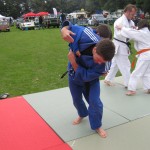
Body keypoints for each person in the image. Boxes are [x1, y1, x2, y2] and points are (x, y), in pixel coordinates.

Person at [61, 21, 115, 138]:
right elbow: (69, 25)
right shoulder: (86, 35)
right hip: (74, 76)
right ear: (95, 50)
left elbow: (85, 76)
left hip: (91, 79)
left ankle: (97, 125)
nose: (100, 63)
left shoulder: (106, 64)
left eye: (103, 62)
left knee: (95, 102)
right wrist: (64, 30)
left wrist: (74, 61)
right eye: (99, 59)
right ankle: (82, 113)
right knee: (76, 99)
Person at [104, 4, 137, 88]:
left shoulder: (131, 22)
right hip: (119, 45)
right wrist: (130, 31)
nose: (133, 16)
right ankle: (128, 84)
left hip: (124, 45)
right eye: (132, 14)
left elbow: (131, 33)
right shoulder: (119, 22)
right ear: (128, 12)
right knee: (125, 65)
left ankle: (108, 79)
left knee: (115, 64)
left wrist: (130, 30)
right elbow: (120, 35)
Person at [116, 19, 150, 95]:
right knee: (147, 73)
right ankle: (148, 88)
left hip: (145, 56)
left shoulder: (141, 33)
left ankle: (132, 89)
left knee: (136, 73)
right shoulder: (147, 32)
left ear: (140, 26)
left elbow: (131, 33)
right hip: (148, 55)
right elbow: (136, 33)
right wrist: (136, 28)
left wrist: (122, 28)